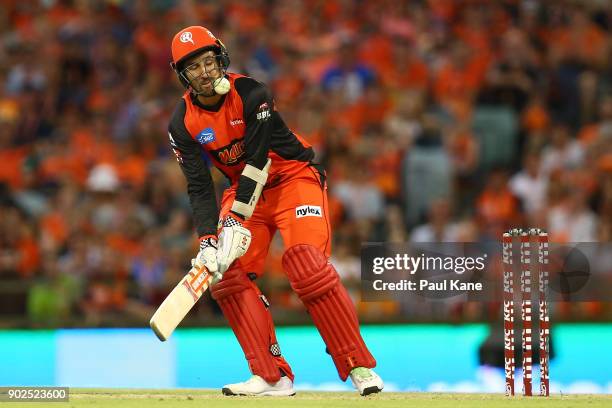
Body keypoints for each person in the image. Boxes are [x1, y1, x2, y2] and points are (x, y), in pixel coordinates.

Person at [167, 26, 383, 397]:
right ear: (182, 75)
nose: (205, 72)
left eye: (209, 62)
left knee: (305, 264)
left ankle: (358, 367)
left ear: (220, 59)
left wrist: (235, 218)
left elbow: (257, 160)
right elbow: (200, 185)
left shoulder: (253, 94)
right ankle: (271, 376)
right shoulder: (182, 122)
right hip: (243, 192)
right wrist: (207, 240)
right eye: (195, 67)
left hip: (292, 178)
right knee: (227, 274)